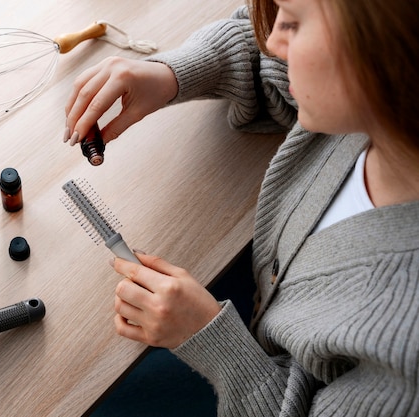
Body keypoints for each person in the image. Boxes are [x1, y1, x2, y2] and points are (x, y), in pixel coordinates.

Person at [63, 0, 419, 415]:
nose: (272, 40)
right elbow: (267, 55)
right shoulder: (376, 109)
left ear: (388, 52)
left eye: (293, 24)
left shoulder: (404, 355)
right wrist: (171, 73)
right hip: (260, 303)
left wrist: (215, 344)